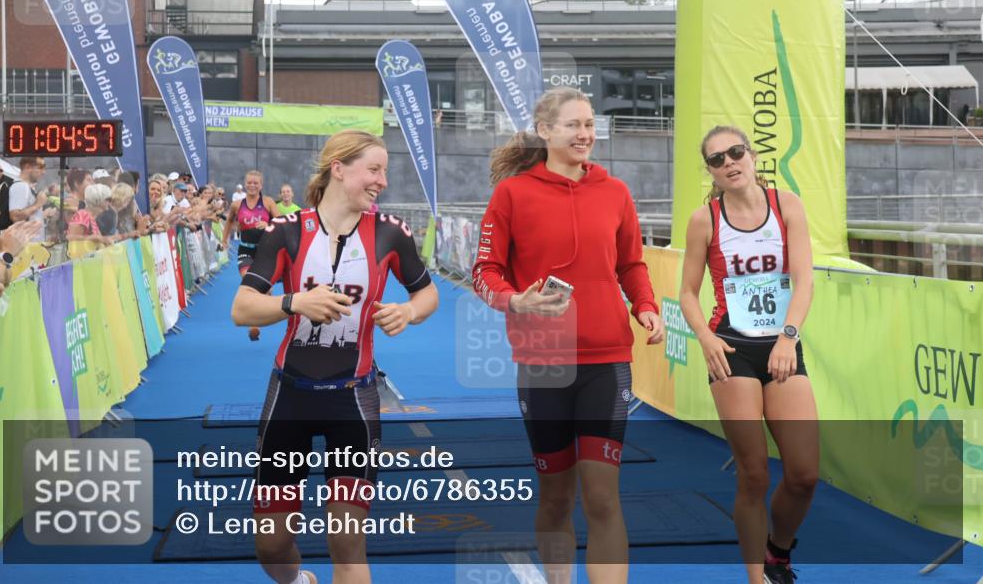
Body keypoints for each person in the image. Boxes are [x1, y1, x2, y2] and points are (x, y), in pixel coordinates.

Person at [471, 87, 663, 584]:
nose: (585, 134)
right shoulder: (512, 194)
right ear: (545, 131)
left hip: (607, 361)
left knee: (602, 497)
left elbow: (631, 264)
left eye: (590, 124)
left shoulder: (615, 192)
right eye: (573, 124)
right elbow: (485, 271)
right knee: (557, 497)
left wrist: (645, 306)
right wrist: (514, 300)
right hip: (544, 362)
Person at [231, 130, 439, 584]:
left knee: (347, 544)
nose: (383, 181)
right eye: (374, 169)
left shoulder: (390, 232)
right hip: (290, 397)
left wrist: (408, 311)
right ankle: (297, 580)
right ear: (338, 169)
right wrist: (295, 303)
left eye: (385, 171)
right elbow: (242, 308)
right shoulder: (285, 231)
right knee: (271, 545)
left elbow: (428, 294)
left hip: (354, 399)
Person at [678, 125, 817, 584]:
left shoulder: (787, 205)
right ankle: (757, 578)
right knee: (754, 474)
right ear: (711, 171)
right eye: (717, 159)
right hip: (731, 348)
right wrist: (705, 337)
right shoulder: (705, 220)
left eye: (735, 152)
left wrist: (788, 338)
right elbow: (687, 292)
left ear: (752, 155)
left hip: (782, 346)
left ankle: (778, 552)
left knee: (804, 475)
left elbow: (805, 279)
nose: (729, 163)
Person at [222, 170, 279, 341]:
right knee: (250, 282)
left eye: (256, 183)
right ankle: (254, 325)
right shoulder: (237, 205)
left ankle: (261, 312)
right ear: (245, 184)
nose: (252, 185)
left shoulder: (268, 202)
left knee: (264, 288)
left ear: (261, 185)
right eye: (249, 182)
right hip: (245, 250)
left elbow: (281, 223)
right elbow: (229, 221)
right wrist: (224, 240)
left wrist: (268, 224)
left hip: (265, 251)